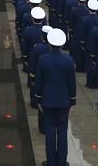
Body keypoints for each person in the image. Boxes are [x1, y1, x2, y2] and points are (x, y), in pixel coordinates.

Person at [35, 28, 77, 166]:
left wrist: (38, 100)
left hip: (47, 101)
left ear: (49, 43)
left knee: (50, 134)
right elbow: (72, 84)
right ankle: (62, 161)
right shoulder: (69, 60)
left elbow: (39, 82)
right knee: (62, 132)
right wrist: (72, 102)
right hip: (64, 101)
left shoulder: (43, 59)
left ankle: (51, 161)